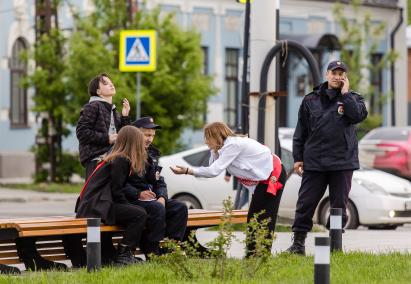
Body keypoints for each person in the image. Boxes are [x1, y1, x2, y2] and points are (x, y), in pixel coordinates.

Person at [286, 60, 368, 255]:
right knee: (305, 203)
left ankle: (335, 245)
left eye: (341, 73)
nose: (338, 77)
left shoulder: (353, 99)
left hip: (342, 162)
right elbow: (301, 132)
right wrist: (298, 158)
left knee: (338, 206)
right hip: (315, 162)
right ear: (327, 74)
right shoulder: (310, 100)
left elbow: (357, 116)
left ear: (345, 77)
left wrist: (346, 94)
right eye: (334, 73)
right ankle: (298, 244)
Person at [170, 122, 286, 256]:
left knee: (262, 217)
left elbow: (213, 171)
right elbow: (212, 166)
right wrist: (213, 149)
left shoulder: (233, 145)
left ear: (217, 136)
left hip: (273, 175)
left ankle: (259, 255)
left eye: (208, 137)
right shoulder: (223, 148)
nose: (205, 141)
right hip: (262, 179)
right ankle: (254, 254)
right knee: (254, 217)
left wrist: (187, 171)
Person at [76, 125, 148, 265]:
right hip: (97, 206)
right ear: (133, 142)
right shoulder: (122, 160)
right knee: (140, 214)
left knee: (137, 212)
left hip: (95, 204)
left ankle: (122, 254)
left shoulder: (116, 157)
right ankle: (124, 255)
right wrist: (129, 206)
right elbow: (117, 191)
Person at [122, 116, 188, 257]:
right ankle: (152, 253)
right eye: (146, 135)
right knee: (156, 208)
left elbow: (159, 181)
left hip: (149, 199)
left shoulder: (152, 154)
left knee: (179, 208)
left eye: (152, 135)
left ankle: (170, 250)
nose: (150, 139)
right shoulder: (125, 153)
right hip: (130, 200)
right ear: (135, 134)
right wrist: (138, 194)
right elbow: (118, 184)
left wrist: (162, 197)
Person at [76, 73, 131, 179]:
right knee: (97, 195)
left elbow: (124, 136)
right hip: (97, 159)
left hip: (112, 159)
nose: (111, 85)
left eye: (111, 82)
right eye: (106, 83)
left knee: (112, 194)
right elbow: (82, 133)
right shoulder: (92, 106)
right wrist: (107, 138)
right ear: (98, 91)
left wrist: (125, 116)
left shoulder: (113, 110)